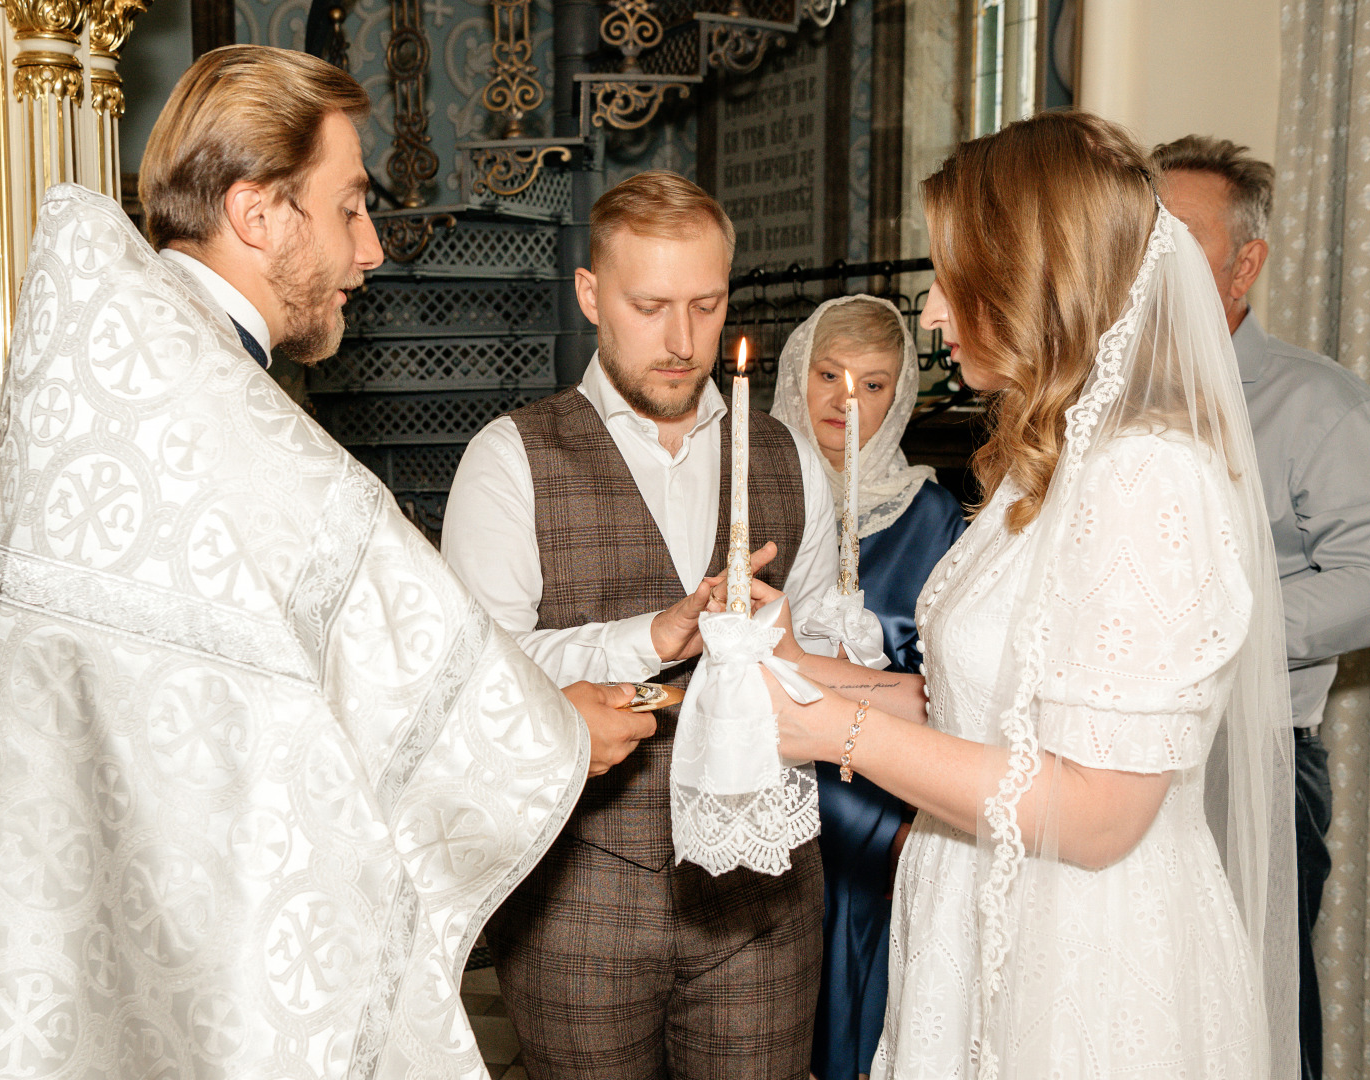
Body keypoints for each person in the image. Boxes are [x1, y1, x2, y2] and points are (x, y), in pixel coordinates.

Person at [0, 46, 649, 1080]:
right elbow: (373, 644)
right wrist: (555, 731)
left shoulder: (125, 380)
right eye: (349, 208)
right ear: (259, 215)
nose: (372, 251)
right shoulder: (221, 421)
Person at [757, 111, 1300, 1078]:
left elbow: (1097, 815)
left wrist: (831, 736)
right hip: (974, 902)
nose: (928, 313)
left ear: (1028, 281)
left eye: (950, 280)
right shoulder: (1045, 458)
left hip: (1082, 955)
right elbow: (986, 711)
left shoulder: (1146, 478)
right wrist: (795, 666)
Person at [441, 171, 888, 1078]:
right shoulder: (508, 459)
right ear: (591, 295)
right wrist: (654, 637)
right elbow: (478, 677)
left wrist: (812, 651)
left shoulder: (789, 457)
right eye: (649, 306)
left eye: (706, 304)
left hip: (762, 899)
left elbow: (815, 661)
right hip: (576, 898)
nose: (682, 341)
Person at [1153, 134, 1370, 1080]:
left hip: (1247, 759)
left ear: (1246, 263)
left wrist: (1215, 626)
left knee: (1251, 1023)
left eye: (1178, 237)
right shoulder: (1096, 399)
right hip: (1094, 756)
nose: (1152, 259)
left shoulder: (1322, 408)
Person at [768, 295, 964, 1080]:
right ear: (796, 372)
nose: (843, 400)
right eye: (827, 373)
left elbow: (946, 680)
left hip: (877, 786)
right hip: (768, 767)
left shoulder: (930, 515)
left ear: (902, 394)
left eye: (872, 384)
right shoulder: (752, 486)